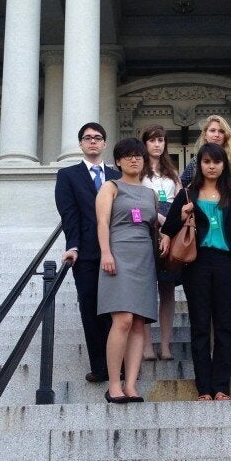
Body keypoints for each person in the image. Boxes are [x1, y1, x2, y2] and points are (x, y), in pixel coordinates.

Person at [162, 142, 231, 401]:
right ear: (199, 164)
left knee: (224, 326)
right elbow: (169, 228)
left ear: (224, 165)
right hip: (196, 264)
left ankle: (222, 386)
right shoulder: (188, 194)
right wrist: (181, 213)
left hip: (226, 263)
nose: (212, 166)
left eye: (217, 162)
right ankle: (204, 388)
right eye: (207, 162)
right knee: (200, 326)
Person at [96, 138, 169, 404]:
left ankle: (131, 385)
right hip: (118, 254)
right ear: (117, 161)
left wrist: (167, 236)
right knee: (123, 319)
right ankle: (113, 384)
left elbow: (158, 223)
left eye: (138, 155)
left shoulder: (150, 193)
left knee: (139, 322)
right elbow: (102, 222)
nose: (134, 160)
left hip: (144, 259)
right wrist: (106, 252)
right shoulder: (110, 187)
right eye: (127, 156)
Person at [54, 122, 121, 383]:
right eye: (87, 138)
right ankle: (100, 366)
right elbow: (69, 215)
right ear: (81, 144)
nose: (93, 142)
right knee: (91, 308)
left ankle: (119, 365)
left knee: (116, 310)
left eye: (97, 138)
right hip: (86, 254)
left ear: (105, 143)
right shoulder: (67, 175)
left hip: (118, 252)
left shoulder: (117, 176)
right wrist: (72, 246)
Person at [140, 125, 181, 361]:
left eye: (162, 140)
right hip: (145, 228)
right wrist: (158, 217)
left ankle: (165, 345)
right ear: (145, 143)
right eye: (153, 140)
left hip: (169, 233)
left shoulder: (171, 172)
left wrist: (170, 223)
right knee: (147, 290)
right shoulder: (139, 171)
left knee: (167, 290)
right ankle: (146, 345)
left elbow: (179, 200)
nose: (158, 144)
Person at [179, 115, 231, 187]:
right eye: (212, 130)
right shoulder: (196, 161)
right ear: (205, 135)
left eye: (221, 131)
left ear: (226, 135)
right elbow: (181, 184)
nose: (217, 135)